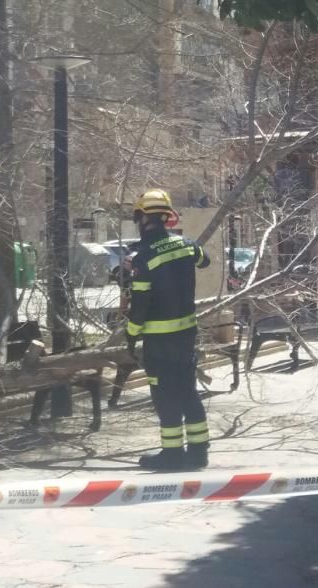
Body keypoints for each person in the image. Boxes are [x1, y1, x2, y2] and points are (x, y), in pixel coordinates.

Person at [126, 189, 211, 471]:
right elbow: (204, 260)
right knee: (187, 390)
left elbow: (140, 303)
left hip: (158, 341)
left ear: (141, 218)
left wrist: (131, 333)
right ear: (168, 217)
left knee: (165, 395)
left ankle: (172, 454)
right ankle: (199, 452)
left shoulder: (142, 258)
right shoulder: (187, 246)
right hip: (186, 334)